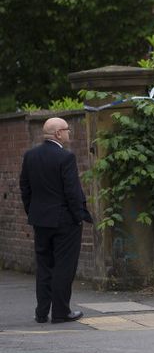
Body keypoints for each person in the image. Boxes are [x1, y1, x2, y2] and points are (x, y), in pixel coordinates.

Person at [19, 117, 92, 324]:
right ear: (58, 133)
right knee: (64, 266)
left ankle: (41, 313)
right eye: (67, 130)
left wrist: (33, 212)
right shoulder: (65, 157)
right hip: (64, 221)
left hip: (41, 221)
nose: (70, 133)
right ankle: (61, 312)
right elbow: (72, 191)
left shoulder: (30, 155)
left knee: (44, 266)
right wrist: (79, 217)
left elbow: (25, 187)